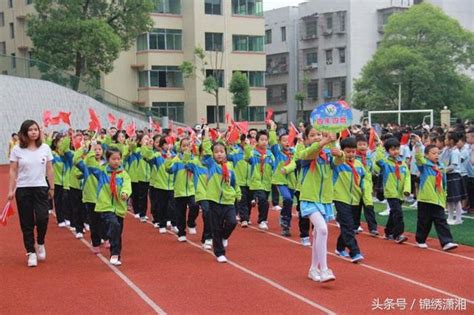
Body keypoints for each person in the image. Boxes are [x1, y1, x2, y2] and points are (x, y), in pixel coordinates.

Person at [8, 120, 54, 267]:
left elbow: (49, 169)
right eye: (30, 130)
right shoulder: (17, 149)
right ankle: (31, 252)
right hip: (23, 189)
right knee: (26, 222)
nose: (34, 132)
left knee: (42, 218)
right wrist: (11, 190)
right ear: (24, 132)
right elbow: (13, 170)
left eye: (36, 129)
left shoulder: (45, 148)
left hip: (40, 187)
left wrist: (52, 187)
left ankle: (40, 242)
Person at [298, 126, 337, 283]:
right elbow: (312, 152)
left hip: (325, 199)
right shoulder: (305, 153)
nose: (316, 137)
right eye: (312, 135)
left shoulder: (326, 154)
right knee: (322, 229)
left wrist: (336, 149)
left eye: (318, 134)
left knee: (317, 234)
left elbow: (339, 162)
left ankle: (313, 269)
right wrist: (324, 141)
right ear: (306, 139)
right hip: (309, 198)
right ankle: (325, 269)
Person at [81, 146, 132, 266]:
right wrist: (91, 150)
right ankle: (113, 253)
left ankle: (116, 254)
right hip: (106, 206)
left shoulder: (123, 174)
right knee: (113, 224)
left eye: (118, 159)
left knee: (117, 232)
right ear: (107, 159)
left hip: (119, 207)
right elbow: (90, 163)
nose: (116, 161)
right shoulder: (102, 172)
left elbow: (127, 185)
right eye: (113, 159)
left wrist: (125, 193)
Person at [201, 130, 240, 262]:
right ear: (213, 154)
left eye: (221, 151)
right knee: (216, 227)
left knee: (232, 222)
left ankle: (224, 236)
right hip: (214, 200)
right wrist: (206, 135)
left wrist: (237, 193)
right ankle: (219, 253)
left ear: (225, 153)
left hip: (229, 200)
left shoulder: (230, 166)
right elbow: (206, 149)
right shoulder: (211, 164)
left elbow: (234, 182)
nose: (219, 154)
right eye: (216, 152)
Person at [413, 138, 458, 251]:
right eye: (433, 153)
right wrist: (418, 144)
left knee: (441, 220)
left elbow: (443, 183)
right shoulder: (425, 166)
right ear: (426, 155)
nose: (436, 155)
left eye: (438, 153)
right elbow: (418, 158)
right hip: (426, 199)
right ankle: (420, 239)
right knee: (424, 221)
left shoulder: (441, 167)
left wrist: (444, 194)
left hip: (438, 199)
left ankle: (447, 242)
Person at [333, 137, 369, 263]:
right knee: (347, 224)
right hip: (340, 197)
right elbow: (334, 155)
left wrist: (365, 193)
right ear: (342, 151)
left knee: (352, 225)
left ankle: (340, 247)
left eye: (353, 152)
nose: (351, 154)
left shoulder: (359, 165)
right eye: (348, 152)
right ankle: (355, 251)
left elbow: (365, 179)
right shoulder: (338, 163)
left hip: (355, 198)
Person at [375, 137, 411, 244]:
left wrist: (407, 190)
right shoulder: (385, 163)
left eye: (397, 149)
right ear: (388, 151)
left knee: (393, 213)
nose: (395, 151)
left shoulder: (403, 164)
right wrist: (380, 147)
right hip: (391, 193)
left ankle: (388, 231)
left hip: (400, 193)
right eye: (392, 149)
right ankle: (398, 234)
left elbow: (407, 177)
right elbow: (378, 160)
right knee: (398, 213)